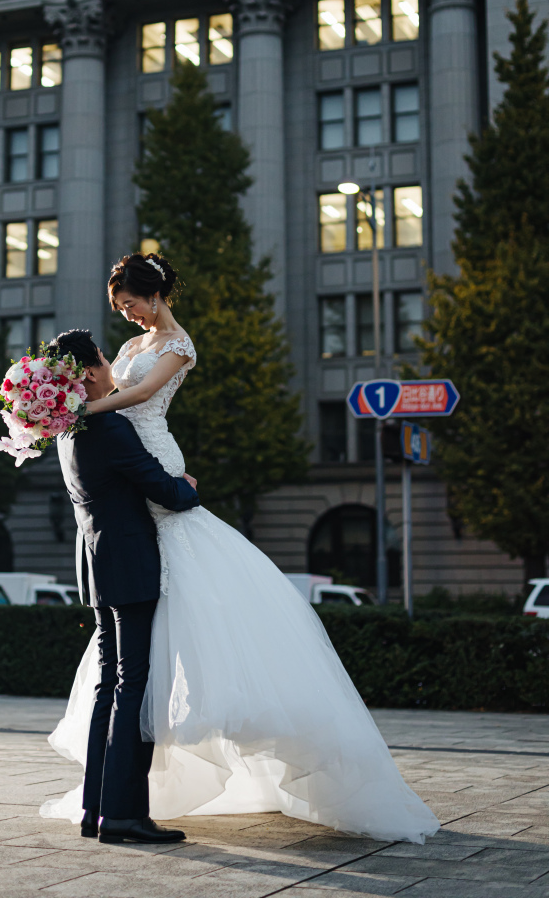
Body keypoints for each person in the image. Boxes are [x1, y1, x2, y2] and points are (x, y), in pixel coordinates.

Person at [40, 252, 440, 845]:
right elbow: (121, 397)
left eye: (129, 304)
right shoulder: (118, 369)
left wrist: (81, 408)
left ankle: (120, 800)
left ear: (154, 296)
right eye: (118, 309)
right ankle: (124, 803)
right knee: (137, 662)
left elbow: (142, 392)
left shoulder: (176, 346)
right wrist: (90, 416)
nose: (125, 316)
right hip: (136, 470)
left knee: (147, 646)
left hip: (144, 454)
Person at [46, 327, 200, 845]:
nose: (113, 365)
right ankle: (126, 816)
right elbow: (163, 490)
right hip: (132, 566)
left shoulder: (68, 431)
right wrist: (188, 488)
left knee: (109, 685)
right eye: (104, 360)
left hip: (98, 565)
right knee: (132, 686)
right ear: (90, 372)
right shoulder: (108, 428)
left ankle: (98, 810)